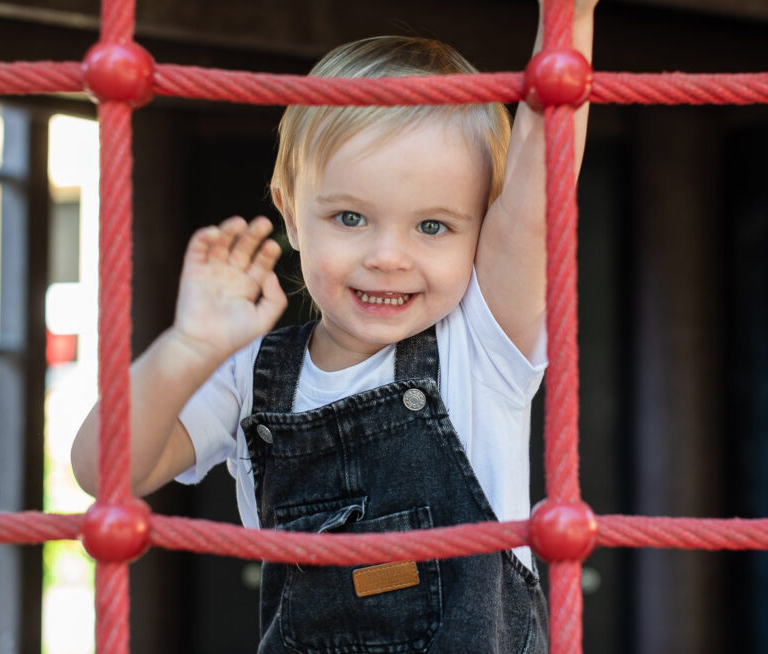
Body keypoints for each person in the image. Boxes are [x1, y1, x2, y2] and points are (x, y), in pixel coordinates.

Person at [72, 2, 596, 651]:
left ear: (482, 233)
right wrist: (188, 348)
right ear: (292, 215)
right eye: (350, 218)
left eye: (433, 226)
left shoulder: (482, 346)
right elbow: (104, 473)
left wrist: (571, 18)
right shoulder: (250, 376)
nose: (387, 256)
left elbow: (541, 183)